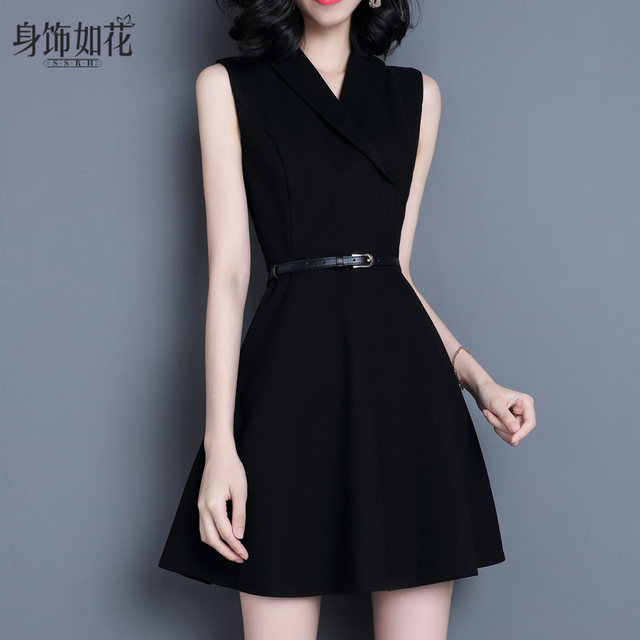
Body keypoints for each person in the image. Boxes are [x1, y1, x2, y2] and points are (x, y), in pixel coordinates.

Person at [158, 1, 537, 638]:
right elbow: (228, 275)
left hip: (405, 394)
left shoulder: (418, 96)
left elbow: (394, 272)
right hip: (287, 389)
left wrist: (479, 381)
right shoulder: (227, 86)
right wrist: (220, 445)